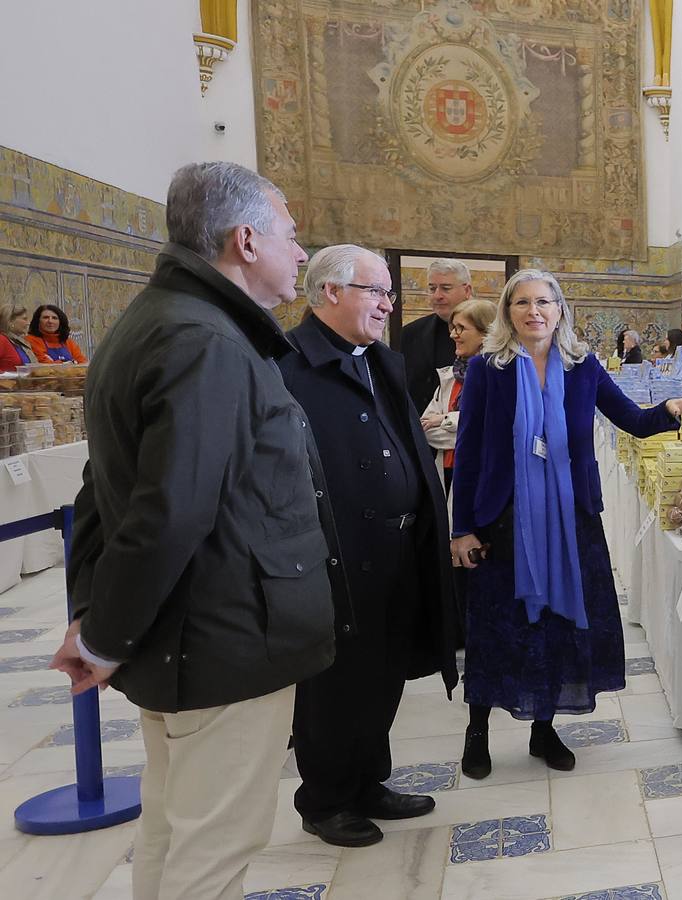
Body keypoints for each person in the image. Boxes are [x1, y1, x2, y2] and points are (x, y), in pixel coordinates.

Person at [50, 161, 331, 900]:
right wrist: (103, 635)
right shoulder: (207, 341)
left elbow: (103, 488)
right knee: (213, 851)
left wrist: (96, 616)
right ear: (247, 240)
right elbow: (167, 509)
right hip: (223, 631)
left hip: (188, 631)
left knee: (173, 831)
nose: (300, 251)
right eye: (291, 235)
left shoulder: (160, 320)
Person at [449, 269, 682, 777]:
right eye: (522, 302)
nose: (534, 311)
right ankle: (477, 729)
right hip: (503, 518)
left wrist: (670, 409)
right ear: (507, 312)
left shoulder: (582, 366)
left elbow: (632, 419)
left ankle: (543, 728)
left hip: (571, 520)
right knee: (497, 626)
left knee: (557, 625)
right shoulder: (487, 368)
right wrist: (463, 529)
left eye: (543, 302)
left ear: (560, 310)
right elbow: (470, 450)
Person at [276, 244, 459, 848]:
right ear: (330, 292)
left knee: (383, 672)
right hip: (335, 553)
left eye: (388, 293)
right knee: (334, 683)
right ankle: (325, 799)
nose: (388, 305)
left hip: (397, 546)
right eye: (376, 292)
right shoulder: (286, 366)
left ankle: (367, 781)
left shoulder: (381, 360)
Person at [422, 298, 500, 492]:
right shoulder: (449, 376)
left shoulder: (500, 376)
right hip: (449, 472)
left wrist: (445, 419)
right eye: (453, 328)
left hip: (485, 473)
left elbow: (494, 430)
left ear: (485, 332)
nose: (452, 335)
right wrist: (467, 430)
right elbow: (426, 430)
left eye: (461, 328)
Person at [402, 258, 471, 409]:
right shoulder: (411, 333)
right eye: (432, 289)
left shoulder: (491, 332)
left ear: (467, 291)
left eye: (446, 288)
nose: (437, 296)